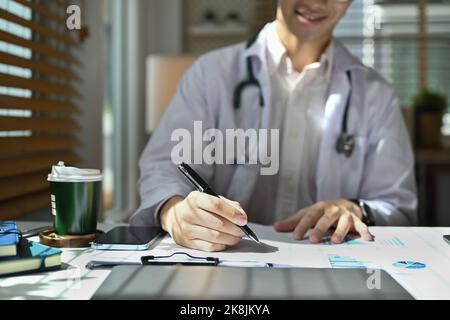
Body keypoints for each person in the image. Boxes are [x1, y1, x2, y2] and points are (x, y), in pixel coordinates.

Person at [130, 0, 417, 252]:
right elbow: (165, 167)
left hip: (331, 264)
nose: (316, 2)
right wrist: (174, 211)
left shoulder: (376, 95)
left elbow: (397, 207)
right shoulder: (210, 75)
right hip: (221, 267)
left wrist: (356, 208)